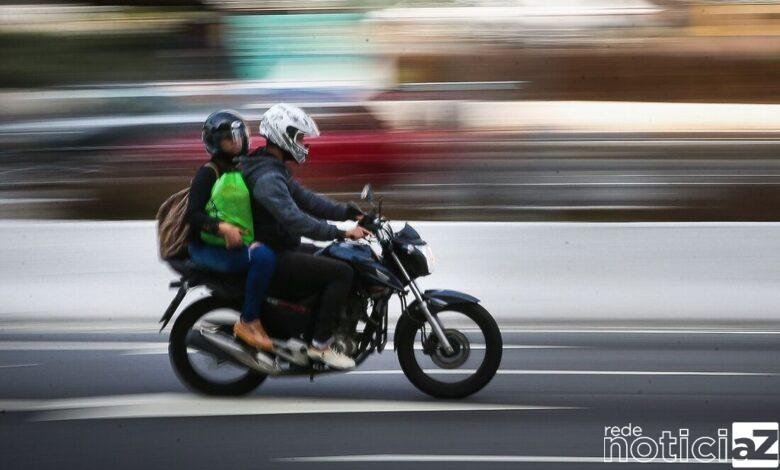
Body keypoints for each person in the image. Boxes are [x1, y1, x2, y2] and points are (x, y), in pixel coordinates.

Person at [238, 104, 369, 369]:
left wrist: (347, 211)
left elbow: (307, 200)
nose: (302, 144)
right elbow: (295, 219)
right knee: (341, 273)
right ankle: (320, 346)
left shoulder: (272, 167)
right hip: (275, 254)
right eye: (298, 137)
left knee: (334, 256)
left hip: (282, 247)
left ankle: (313, 325)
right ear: (281, 134)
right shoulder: (266, 177)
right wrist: (341, 231)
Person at [186, 109, 277, 352]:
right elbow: (192, 215)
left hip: (237, 244)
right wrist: (221, 228)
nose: (235, 142)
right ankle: (248, 321)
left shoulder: (241, 168)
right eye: (228, 138)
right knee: (263, 258)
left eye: (238, 136)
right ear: (214, 142)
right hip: (206, 247)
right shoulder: (208, 172)